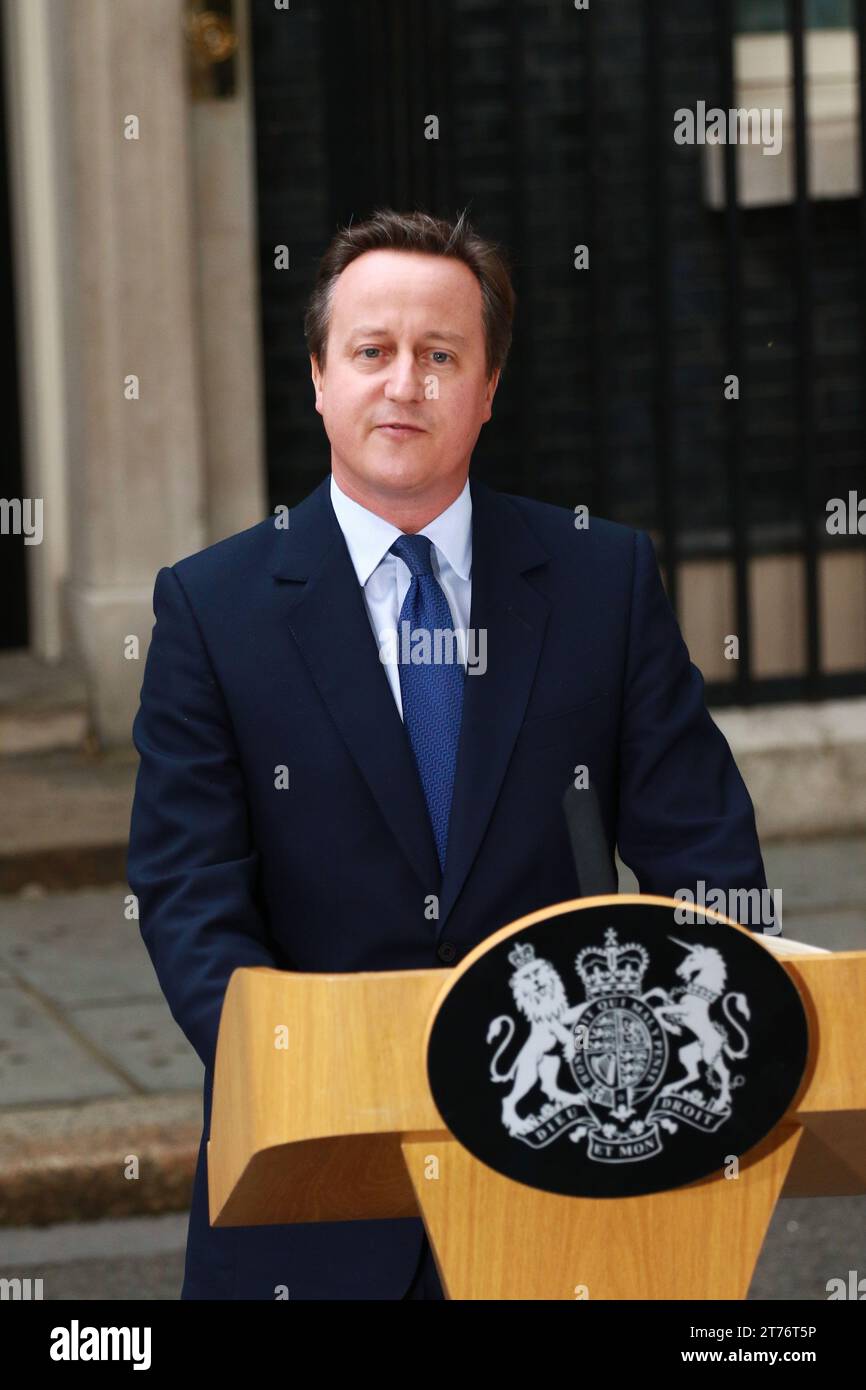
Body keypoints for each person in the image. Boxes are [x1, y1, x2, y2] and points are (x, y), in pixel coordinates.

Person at [126, 208, 769, 1300]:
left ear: (487, 387)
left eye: (439, 356)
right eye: (372, 351)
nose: (404, 383)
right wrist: (300, 1072)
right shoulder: (212, 608)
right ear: (321, 379)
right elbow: (188, 889)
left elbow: (704, 856)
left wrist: (659, 1073)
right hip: (316, 1185)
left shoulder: (598, 581)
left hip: (567, 1183)